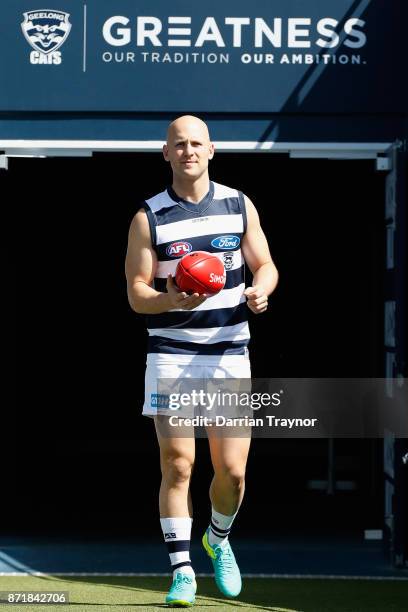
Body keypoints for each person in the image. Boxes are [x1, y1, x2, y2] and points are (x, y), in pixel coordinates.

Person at [125, 115, 278, 607]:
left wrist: (260, 291)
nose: (188, 151)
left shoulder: (238, 204)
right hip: (171, 354)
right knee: (179, 464)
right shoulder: (148, 216)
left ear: (211, 150)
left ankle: (218, 538)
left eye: (196, 143)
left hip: (230, 351)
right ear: (165, 154)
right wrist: (170, 300)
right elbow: (136, 294)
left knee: (232, 472)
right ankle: (183, 569)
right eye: (179, 144)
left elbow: (267, 264)